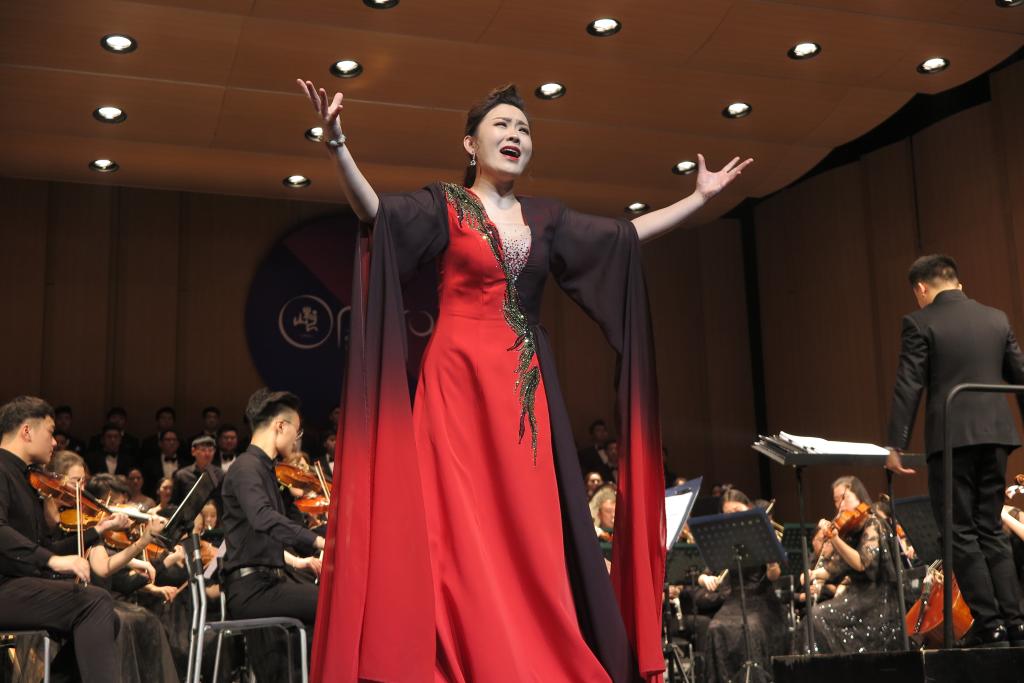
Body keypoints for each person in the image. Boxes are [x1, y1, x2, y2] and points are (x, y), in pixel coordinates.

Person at [298, 78, 751, 682]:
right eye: (502, 125)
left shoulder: (547, 217)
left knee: (529, 528)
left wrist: (697, 199)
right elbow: (376, 213)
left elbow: (624, 236)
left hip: (523, 391)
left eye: (524, 129)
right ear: (470, 143)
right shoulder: (445, 204)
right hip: (456, 384)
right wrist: (337, 144)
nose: (515, 135)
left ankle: (532, 657)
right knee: (454, 529)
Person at [886, 254, 1024, 647]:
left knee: (959, 531)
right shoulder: (996, 318)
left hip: (952, 437)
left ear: (921, 289)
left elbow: (909, 384)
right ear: (957, 282)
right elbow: (1020, 375)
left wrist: (896, 443)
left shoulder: (920, 322)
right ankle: (1015, 621)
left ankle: (989, 622)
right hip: (997, 435)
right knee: (990, 528)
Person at [0, 396, 121, 682]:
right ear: (26, 431)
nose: (55, 442)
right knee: (95, 603)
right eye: (50, 432)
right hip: (4, 586)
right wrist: (53, 560)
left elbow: (43, 548)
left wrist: (97, 531)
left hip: (18, 585)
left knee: (107, 615)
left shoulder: (27, 479)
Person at [220, 388, 323, 628]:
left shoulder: (265, 470)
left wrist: (297, 561)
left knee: (330, 597)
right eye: (297, 431)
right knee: (332, 602)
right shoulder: (246, 467)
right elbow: (263, 518)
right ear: (281, 426)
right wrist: (320, 542)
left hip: (268, 582)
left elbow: (257, 538)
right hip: (252, 590)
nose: (296, 440)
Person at [696, 488, 786, 682]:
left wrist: (771, 561)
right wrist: (705, 579)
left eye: (737, 511)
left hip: (761, 598)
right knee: (715, 628)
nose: (733, 517)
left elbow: (774, 576)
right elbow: (704, 574)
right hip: (734, 600)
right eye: (728, 514)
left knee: (751, 628)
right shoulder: (724, 538)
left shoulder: (762, 530)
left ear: (749, 508)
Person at [807, 476, 902, 654]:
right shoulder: (850, 529)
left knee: (818, 617)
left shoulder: (873, 523)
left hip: (877, 596)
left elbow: (861, 563)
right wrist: (813, 574)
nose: (840, 505)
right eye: (836, 501)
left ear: (859, 496)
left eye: (844, 498)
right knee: (811, 619)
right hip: (856, 595)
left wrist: (835, 539)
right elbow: (835, 567)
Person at [171, 435, 224, 508]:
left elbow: (224, 502)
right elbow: (174, 503)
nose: (207, 454)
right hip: (189, 515)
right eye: (203, 450)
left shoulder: (220, 474)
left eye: (210, 450)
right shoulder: (182, 475)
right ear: (193, 451)